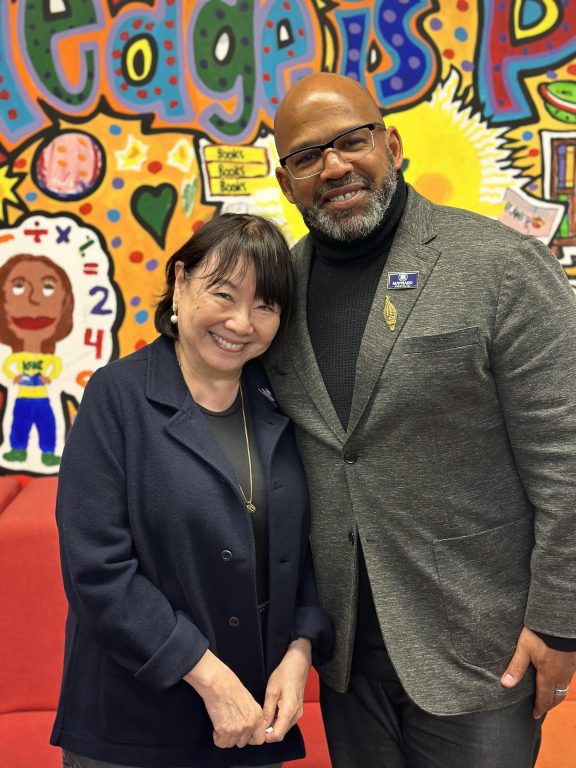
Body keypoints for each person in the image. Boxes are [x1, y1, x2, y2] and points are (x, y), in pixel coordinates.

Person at [264, 72, 576, 767]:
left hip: (482, 651)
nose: (335, 166)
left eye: (352, 141)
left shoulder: (501, 267)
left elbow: (568, 456)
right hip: (346, 663)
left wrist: (561, 622)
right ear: (286, 183)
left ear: (392, 144)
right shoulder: (275, 295)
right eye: (308, 156)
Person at [50, 213, 333, 768]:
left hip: (253, 720)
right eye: (223, 294)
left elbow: (304, 551)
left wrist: (299, 653)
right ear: (180, 282)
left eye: (265, 306)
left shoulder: (280, 405)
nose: (240, 322)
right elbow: (97, 571)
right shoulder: (118, 396)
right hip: (134, 721)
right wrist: (209, 679)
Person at [0, 253, 74, 466]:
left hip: (41, 397)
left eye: (49, 286)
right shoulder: (19, 357)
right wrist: (15, 376)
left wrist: (47, 376)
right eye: (18, 286)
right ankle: (18, 450)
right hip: (23, 396)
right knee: (19, 425)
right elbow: (7, 366)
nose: (34, 299)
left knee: (46, 424)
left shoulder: (48, 358)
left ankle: (48, 452)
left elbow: (56, 365)